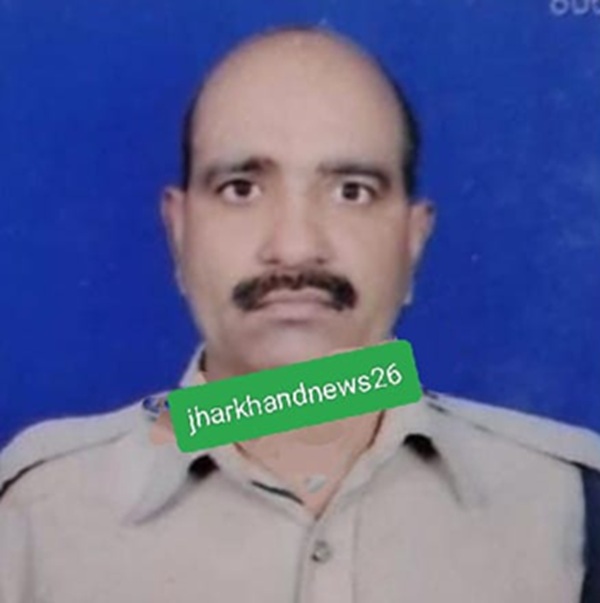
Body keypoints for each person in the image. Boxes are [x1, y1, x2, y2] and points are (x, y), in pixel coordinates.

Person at [1, 26, 599, 603]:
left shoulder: (565, 504)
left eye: (351, 191)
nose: (294, 247)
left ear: (413, 240)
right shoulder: (34, 517)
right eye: (241, 188)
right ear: (179, 233)